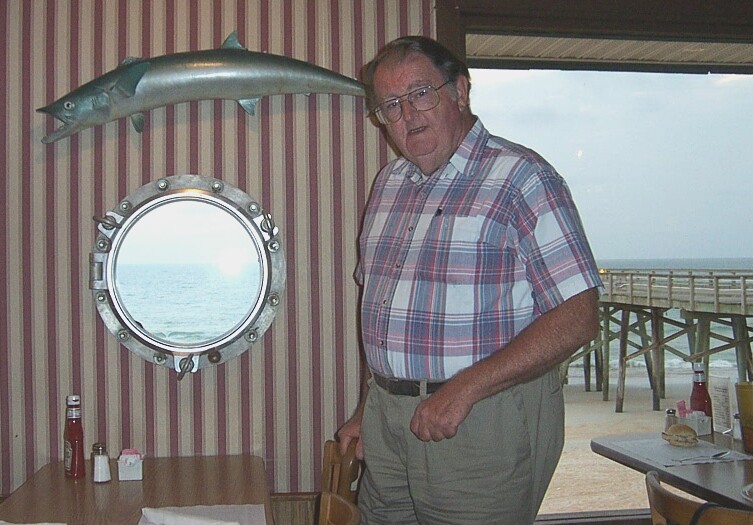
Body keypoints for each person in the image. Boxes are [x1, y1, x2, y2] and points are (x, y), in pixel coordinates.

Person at [337, 35, 603, 525]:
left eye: (420, 94)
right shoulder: (389, 185)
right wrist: (367, 408)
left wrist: (464, 390)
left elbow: (579, 316)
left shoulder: (522, 177)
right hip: (388, 426)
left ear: (460, 91)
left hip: (478, 421)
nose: (407, 115)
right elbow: (385, 315)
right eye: (390, 105)